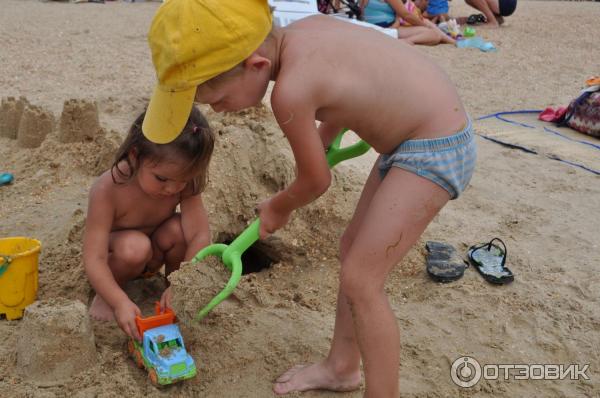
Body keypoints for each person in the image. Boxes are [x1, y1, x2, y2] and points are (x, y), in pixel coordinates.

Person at [142, 1, 476, 396]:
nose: (216, 109)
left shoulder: (290, 93)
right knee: (353, 249)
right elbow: (350, 77)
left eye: (216, 98)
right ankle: (342, 368)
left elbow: (316, 181)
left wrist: (278, 206)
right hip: (423, 133)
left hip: (431, 148)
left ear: (256, 65)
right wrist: (327, 135)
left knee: (362, 279)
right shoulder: (309, 27)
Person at [83, 107, 214, 341]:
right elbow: (94, 257)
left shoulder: (185, 180)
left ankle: (171, 295)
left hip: (154, 252)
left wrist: (182, 285)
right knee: (135, 247)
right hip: (120, 256)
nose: (173, 189)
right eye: (161, 179)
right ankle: (107, 295)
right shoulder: (108, 189)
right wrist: (119, 302)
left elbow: (199, 235)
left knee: (178, 230)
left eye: (182, 181)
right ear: (135, 155)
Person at [361, 0, 455, 45]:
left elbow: (362, 13)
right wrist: (425, 26)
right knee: (434, 35)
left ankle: (451, 40)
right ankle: (405, 42)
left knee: (425, 22)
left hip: (373, 25)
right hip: (386, 27)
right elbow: (406, 15)